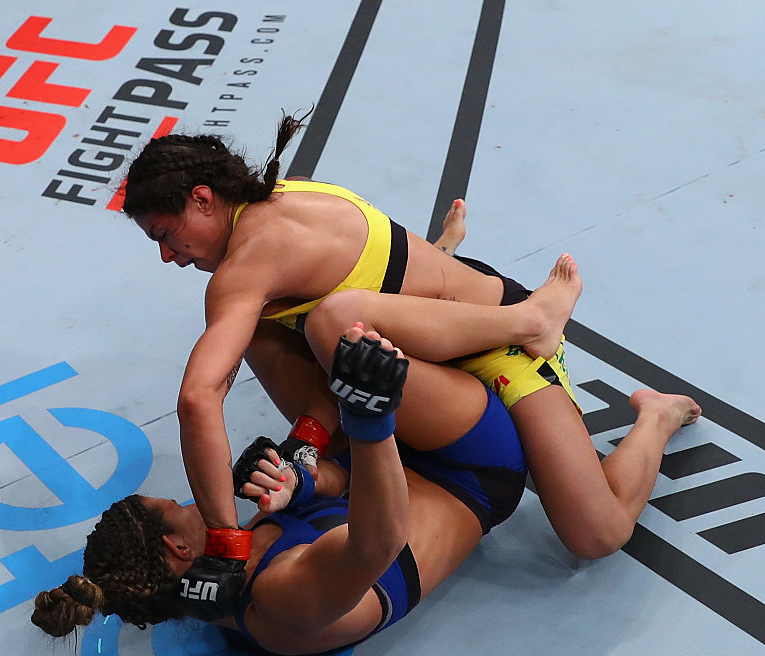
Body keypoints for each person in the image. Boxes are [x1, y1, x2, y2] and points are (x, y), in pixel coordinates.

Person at [119, 113, 701, 583]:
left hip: (493, 343)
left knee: (594, 534)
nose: (169, 257)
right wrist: (307, 442)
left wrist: (224, 542)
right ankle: (345, 421)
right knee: (275, 330)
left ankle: (636, 400)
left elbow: (199, 398)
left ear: (202, 199)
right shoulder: (268, 204)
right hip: (423, 358)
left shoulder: (250, 263)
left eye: (165, 236)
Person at [32, 324, 531, 654]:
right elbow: (379, 541)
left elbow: (352, 485)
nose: (189, 499)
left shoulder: (227, 568)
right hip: (472, 472)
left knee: (272, 326)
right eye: (175, 505)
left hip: (397, 461)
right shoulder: (278, 597)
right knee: (339, 328)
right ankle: (520, 319)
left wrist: (307, 478)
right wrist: (368, 416)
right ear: (176, 546)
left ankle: (436, 299)